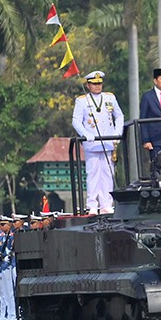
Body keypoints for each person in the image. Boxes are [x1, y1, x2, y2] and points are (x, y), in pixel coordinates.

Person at [72, 71, 124, 214]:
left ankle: (107, 203)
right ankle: (92, 204)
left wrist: (117, 133)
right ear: (88, 85)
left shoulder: (109, 98)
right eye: (94, 84)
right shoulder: (82, 100)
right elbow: (76, 121)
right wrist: (85, 134)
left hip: (108, 140)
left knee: (108, 172)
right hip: (92, 142)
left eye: (99, 83)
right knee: (93, 173)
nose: (97, 86)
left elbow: (119, 116)